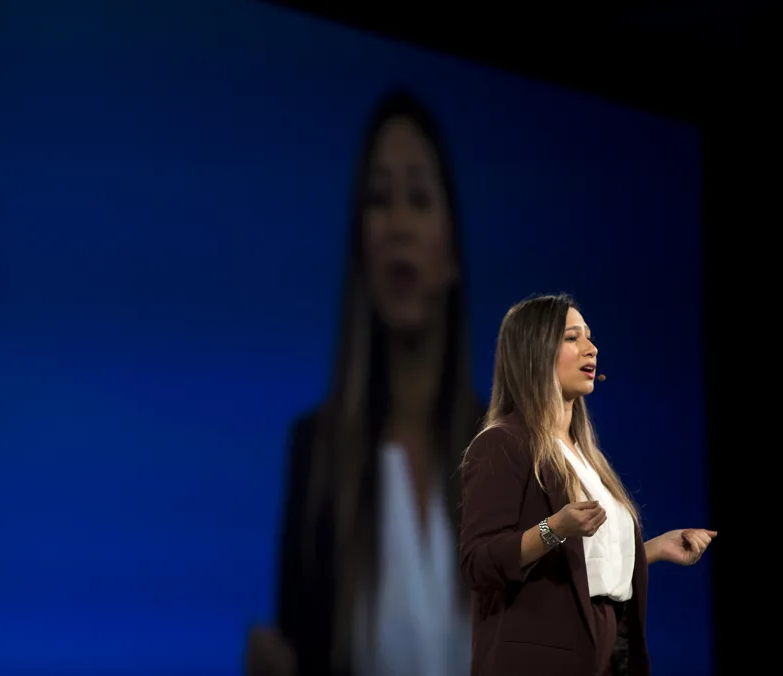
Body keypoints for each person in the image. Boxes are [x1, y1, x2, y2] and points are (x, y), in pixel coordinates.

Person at [246, 89, 484, 676]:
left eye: (420, 199)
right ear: (361, 244)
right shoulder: (317, 456)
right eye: (379, 200)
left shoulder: (512, 449)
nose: (399, 223)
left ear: (452, 252)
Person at [459, 294, 715, 676]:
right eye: (572, 338)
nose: (591, 348)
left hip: (604, 654)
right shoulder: (502, 443)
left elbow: (585, 567)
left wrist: (652, 550)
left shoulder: (583, 456)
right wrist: (554, 528)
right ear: (535, 351)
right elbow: (478, 563)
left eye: (590, 338)